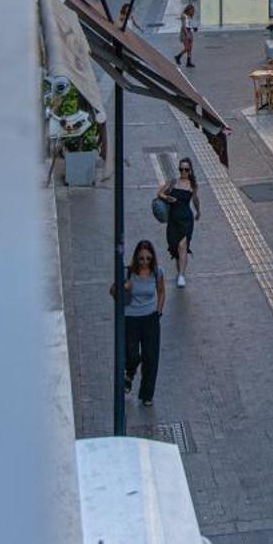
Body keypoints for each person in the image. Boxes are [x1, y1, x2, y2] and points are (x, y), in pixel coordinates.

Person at [117, 239, 166, 408]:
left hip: (150, 318)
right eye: (141, 258)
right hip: (131, 318)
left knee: (151, 357)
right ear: (136, 258)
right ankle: (129, 375)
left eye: (148, 258)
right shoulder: (128, 273)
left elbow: (161, 291)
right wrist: (124, 287)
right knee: (132, 353)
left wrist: (158, 311)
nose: (145, 262)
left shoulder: (157, 272)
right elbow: (112, 290)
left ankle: (147, 395)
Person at [156, 158, 201, 287]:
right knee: (176, 249)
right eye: (181, 169)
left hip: (186, 219)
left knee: (183, 246)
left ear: (190, 170)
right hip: (173, 220)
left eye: (186, 169)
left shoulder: (193, 185)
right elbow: (159, 193)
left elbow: (195, 200)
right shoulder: (173, 182)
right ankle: (180, 271)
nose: (183, 172)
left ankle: (181, 275)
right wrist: (167, 197)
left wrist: (198, 212)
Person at [174, 1, 197, 68]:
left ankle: (188, 62)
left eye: (193, 11)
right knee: (187, 48)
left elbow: (190, 24)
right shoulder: (184, 15)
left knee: (190, 48)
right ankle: (178, 56)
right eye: (191, 10)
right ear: (188, 10)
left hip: (189, 31)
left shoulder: (190, 16)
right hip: (185, 32)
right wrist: (187, 34)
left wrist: (194, 28)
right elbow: (184, 26)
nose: (192, 12)